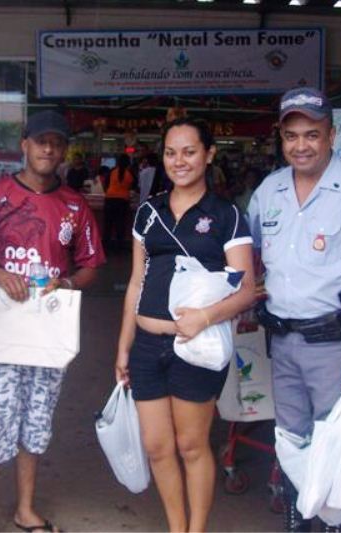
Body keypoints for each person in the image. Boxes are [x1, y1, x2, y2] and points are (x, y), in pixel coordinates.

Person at [246, 87, 341, 532]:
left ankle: (333, 525)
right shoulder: (269, 190)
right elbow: (245, 255)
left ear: (331, 135)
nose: (301, 145)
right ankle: (299, 519)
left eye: (311, 135)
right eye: (291, 135)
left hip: (334, 345)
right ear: (281, 138)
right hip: (282, 341)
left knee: (334, 440)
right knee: (292, 438)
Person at [0, 110, 106, 533]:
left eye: (56, 142)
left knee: (35, 422)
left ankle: (25, 509)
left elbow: (92, 266)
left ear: (64, 150)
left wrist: (67, 283)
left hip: (48, 333)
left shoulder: (75, 206)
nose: (48, 149)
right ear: (24, 144)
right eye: (40, 140)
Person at [114, 117, 256, 532]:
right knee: (158, 448)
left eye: (190, 151)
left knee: (192, 446)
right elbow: (136, 283)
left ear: (208, 154)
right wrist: (124, 345)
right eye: (171, 153)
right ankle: (178, 528)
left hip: (195, 347)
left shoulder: (226, 214)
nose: (180, 161)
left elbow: (247, 290)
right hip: (146, 344)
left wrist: (205, 317)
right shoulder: (148, 212)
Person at [103, 153, 135, 248]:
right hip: (122, 201)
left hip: (109, 199)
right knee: (120, 225)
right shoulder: (130, 173)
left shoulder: (112, 171)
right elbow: (133, 186)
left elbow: (106, 184)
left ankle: (106, 246)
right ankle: (119, 246)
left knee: (108, 224)